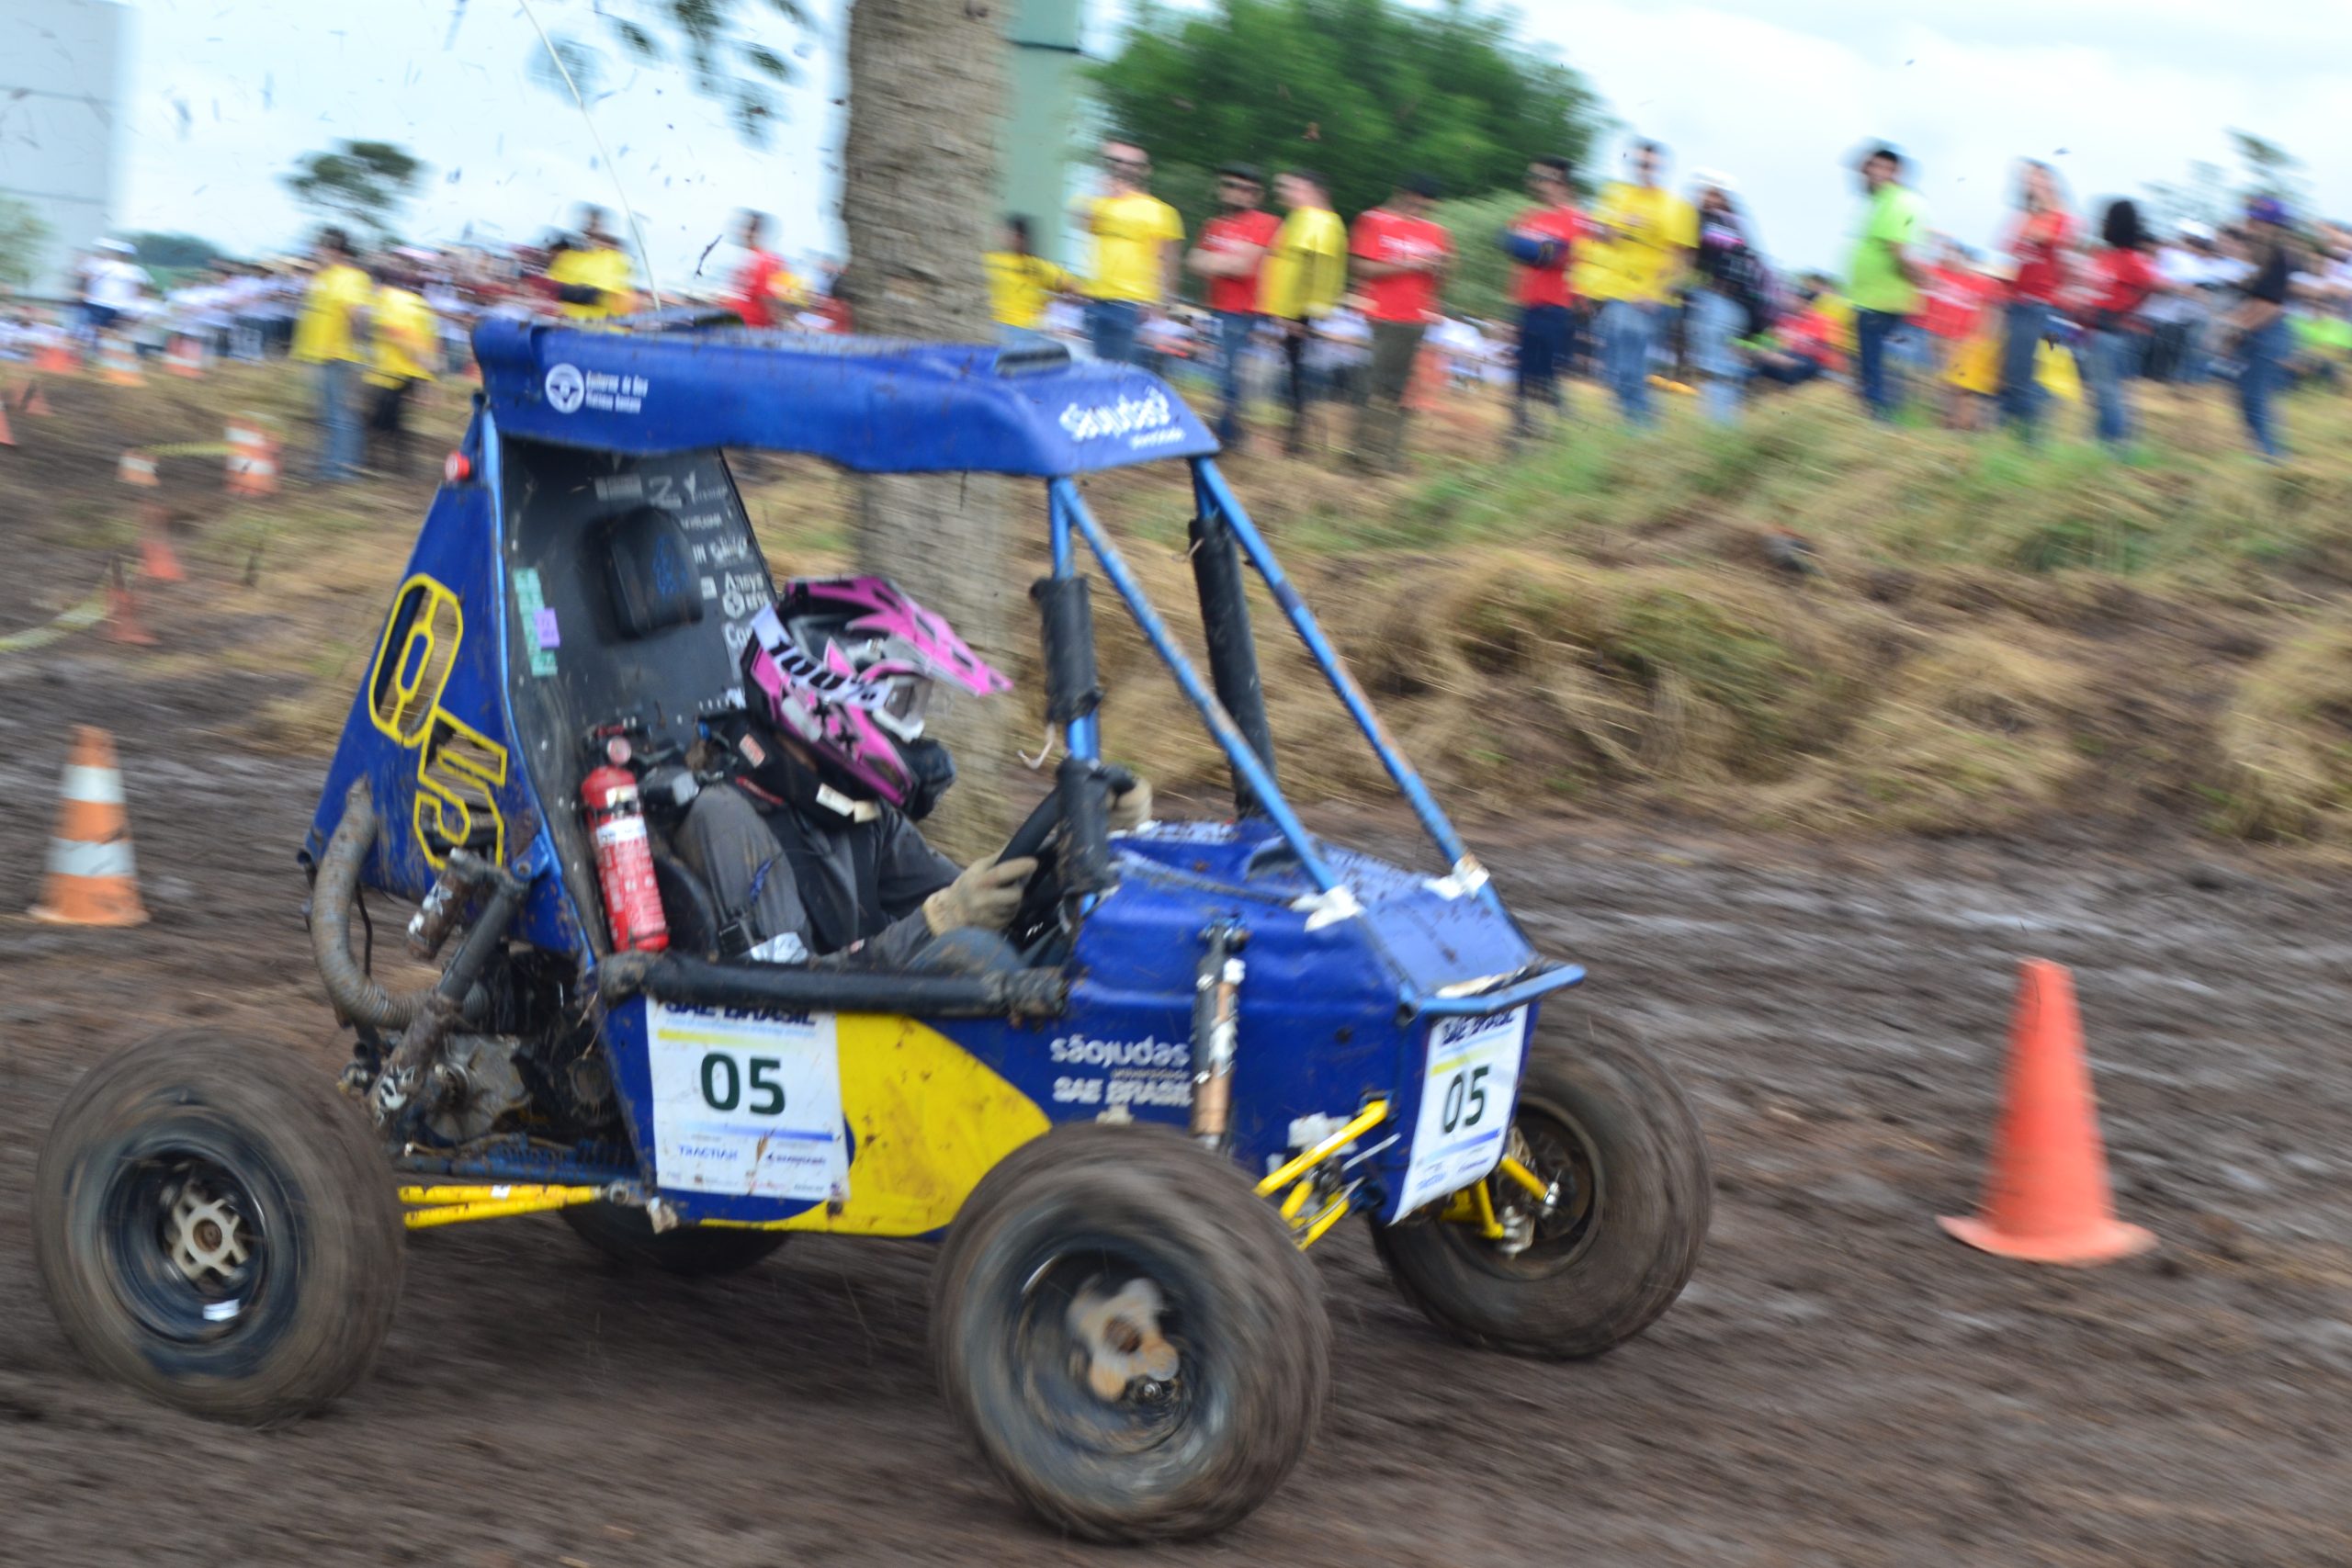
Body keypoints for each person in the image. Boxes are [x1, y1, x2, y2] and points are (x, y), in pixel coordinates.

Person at [675, 577, 1151, 970]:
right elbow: (782, 995)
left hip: (870, 1046)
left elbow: (980, 901)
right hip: (815, 1063)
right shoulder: (727, 820)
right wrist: (941, 918)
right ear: (818, 699)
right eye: (901, 703)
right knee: (976, 960)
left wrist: (1088, 840)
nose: (914, 727)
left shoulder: (856, 813)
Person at [1587, 140, 1697, 426]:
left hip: (1650, 299)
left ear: (1662, 167)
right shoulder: (1616, 196)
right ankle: (1643, 425)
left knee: (1628, 367)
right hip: (1615, 295)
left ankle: (1642, 430)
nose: (1643, 170)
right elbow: (1603, 236)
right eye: (1637, 164)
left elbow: (1683, 261)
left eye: (1649, 164)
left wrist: (1655, 294)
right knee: (1612, 372)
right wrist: (1622, 224)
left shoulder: (1676, 208)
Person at [1347, 175, 1451, 473]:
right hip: (1383, 316)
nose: (1420, 209)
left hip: (1417, 319)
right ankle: (1363, 455)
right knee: (1375, 388)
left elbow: (1440, 282)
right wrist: (1409, 264)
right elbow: (1360, 266)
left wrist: (1442, 268)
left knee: (1404, 393)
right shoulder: (1374, 220)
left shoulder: (1436, 231)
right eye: (1415, 201)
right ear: (1401, 193)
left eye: (1426, 205)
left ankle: (1388, 457)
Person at [1187, 164, 1283, 447]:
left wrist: (1213, 262)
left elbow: (1243, 266)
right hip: (1219, 308)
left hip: (1248, 312)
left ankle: (1227, 435)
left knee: (1232, 376)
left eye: (1245, 189)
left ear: (1257, 195)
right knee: (1222, 374)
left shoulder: (1266, 223)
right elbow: (1192, 262)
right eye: (1229, 185)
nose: (1236, 193)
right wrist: (1223, 263)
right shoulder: (1213, 225)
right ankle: (1229, 431)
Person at [1258, 169, 1348, 455]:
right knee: (1297, 377)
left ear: (1313, 190)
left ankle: (1298, 440)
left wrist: (1294, 314)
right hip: (1298, 312)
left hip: (1300, 313)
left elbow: (1316, 268)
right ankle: (1297, 437)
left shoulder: (1315, 219)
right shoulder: (1309, 219)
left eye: (1291, 187)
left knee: (1298, 379)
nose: (1284, 192)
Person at [1080, 142, 1183, 366]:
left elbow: (1169, 261)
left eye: (1132, 164)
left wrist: (1162, 304)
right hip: (1096, 298)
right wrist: (1099, 192)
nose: (1123, 168)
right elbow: (1082, 222)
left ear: (1145, 170)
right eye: (1116, 162)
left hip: (1133, 304)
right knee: (1095, 369)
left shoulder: (1159, 210)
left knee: (1121, 371)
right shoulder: (1099, 202)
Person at [1503, 154, 1583, 441]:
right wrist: (1510, 308)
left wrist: (1526, 247)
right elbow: (1514, 254)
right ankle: (1523, 433)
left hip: (1559, 307)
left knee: (1548, 375)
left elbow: (1552, 256)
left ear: (1558, 181)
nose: (1536, 183)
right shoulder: (1530, 217)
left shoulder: (1577, 218)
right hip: (1529, 304)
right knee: (1523, 373)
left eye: (1542, 178)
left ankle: (1560, 436)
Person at [1846, 145, 1928, 420]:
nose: (1876, 173)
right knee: (1873, 369)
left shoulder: (1897, 201)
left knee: (1876, 372)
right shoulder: (1880, 201)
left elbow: (1898, 250)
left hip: (1882, 302)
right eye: (1872, 167)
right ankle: (1880, 420)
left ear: (1897, 172)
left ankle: (1881, 425)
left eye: (1884, 168)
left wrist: (1920, 279)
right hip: (1872, 298)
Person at [1997, 161, 2075, 442]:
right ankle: (2013, 438)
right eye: (2029, 180)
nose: (2032, 185)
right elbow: (2010, 256)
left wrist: (2040, 207)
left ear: (2052, 184)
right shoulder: (2023, 217)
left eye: (2039, 180)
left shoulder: (2061, 217)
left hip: (2043, 308)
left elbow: (2045, 237)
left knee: (2032, 375)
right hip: (2017, 303)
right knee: (2013, 373)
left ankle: (2030, 442)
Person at [289, 228, 372, 484]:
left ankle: (343, 470)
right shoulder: (324, 277)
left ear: (334, 250)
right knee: (329, 415)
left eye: (321, 249)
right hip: (322, 356)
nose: (317, 253)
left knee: (341, 415)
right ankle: (329, 465)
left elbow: (356, 314)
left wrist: (359, 353)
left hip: (341, 356)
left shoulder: (351, 277)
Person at [1688, 170, 1766, 424]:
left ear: (1722, 197)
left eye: (1711, 193)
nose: (1705, 198)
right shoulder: (1740, 225)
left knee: (1714, 368)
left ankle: (1718, 429)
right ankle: (1730, 426)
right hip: (1743, 310)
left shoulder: (1708, 222)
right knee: (1728, 368)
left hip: (1717, 303)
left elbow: (1692, 260)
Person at [2082, 199, 2161, 449]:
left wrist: (2127, 308)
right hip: (2093, 332)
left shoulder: (2130, 259)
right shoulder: (2105, 255)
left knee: (2110, 392)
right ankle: (2106, 443)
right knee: (2101, 393)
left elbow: (2153, 284)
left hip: (2111, 334)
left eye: (2107, 220)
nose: (2102, 225)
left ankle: (2115, 448)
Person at [2229, 196, 2299, 459]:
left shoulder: (2278, 256)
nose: (2251, 226)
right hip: (2257, 332)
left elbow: (2270, 306)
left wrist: (2235, 326)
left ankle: (2272, 457)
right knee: (2247, 397)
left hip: (2269, 334)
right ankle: (2262, 452)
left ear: (2273, 226)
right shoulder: (2260, 258)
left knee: (2256, 397)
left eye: (2257, 221)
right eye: (2250, 220)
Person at [364, 258, 436, 476]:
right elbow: (431, 338)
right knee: (392, 421)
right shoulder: (417, 302)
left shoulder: (385, 300)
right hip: (412, 371)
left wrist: (416, 358)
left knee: (380, 423)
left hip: (392, 371)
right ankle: (401, 466)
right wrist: (426, 374)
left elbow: (393, 332)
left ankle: (388, 466)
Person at [986, 216, 1075, 336]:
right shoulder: (991, 260)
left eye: (1008, 233)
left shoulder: (1037, 266)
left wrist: (1049, 300)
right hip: (997, 327)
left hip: (1025, 329)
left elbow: (1074, 288)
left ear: (1020, 237)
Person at [547, 207, 637, 321]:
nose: (591, 230)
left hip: (605, 332)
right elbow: (549, 291)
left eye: (596, 226)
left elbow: (626, 302)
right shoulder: (566, 259)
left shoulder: (618, 260)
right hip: (567, 329)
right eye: (588, 225)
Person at [728, 210, 804, 329]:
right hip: (737, 326)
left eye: (744, 227)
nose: (739, 231)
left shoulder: (766, 260)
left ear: (755, 232)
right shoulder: (747, 258)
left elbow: (769, 299)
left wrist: (781, 323)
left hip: (753, 330)